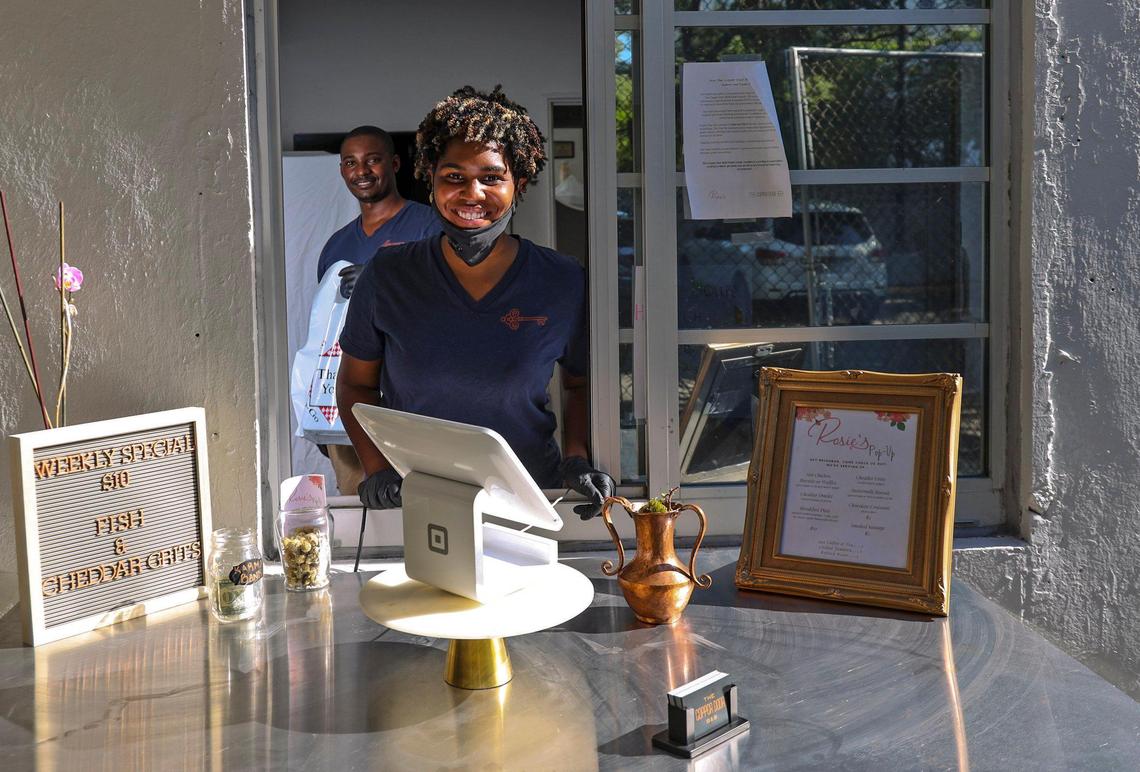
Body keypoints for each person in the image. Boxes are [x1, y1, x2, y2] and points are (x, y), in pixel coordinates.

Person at [336, 86, 614, 519]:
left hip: (530, 497)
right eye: (454, 177)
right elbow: (356, 385)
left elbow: (580, 384)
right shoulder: (388, 275)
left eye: (491, 177)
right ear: (431, 181)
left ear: (518, 184)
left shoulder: (561, 279)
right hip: (422, 501)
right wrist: (377, 468)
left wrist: (577, 458)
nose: (472, 193)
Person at [315, 125, 438, 495]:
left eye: (372, 160)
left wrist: (385, 277)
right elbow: (326, 331)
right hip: (353, 406)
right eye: (351, 162)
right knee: (362, 511)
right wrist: (321, 409)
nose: (362, 171)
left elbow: (452, 299)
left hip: (416, 403)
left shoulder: (429, 225)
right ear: (342, 171)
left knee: (426, 509)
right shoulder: (336, 247)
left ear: (395, 163)